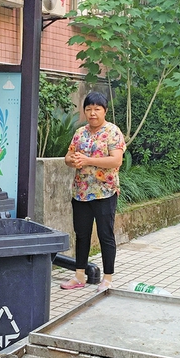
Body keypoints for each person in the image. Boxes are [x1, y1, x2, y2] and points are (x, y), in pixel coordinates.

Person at [61, 92, 125, 292]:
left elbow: (116, 160)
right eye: (88, 109)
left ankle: (107, 278)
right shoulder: (80, 133)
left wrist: (88, 160)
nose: (92, 113)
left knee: (106, 235)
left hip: (104, 192)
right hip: (81, 192)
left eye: (97, 109)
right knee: (82, 234)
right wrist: (73, 160)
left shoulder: (113, 132)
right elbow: (68, 157)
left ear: (104, 110)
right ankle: (79, 275)